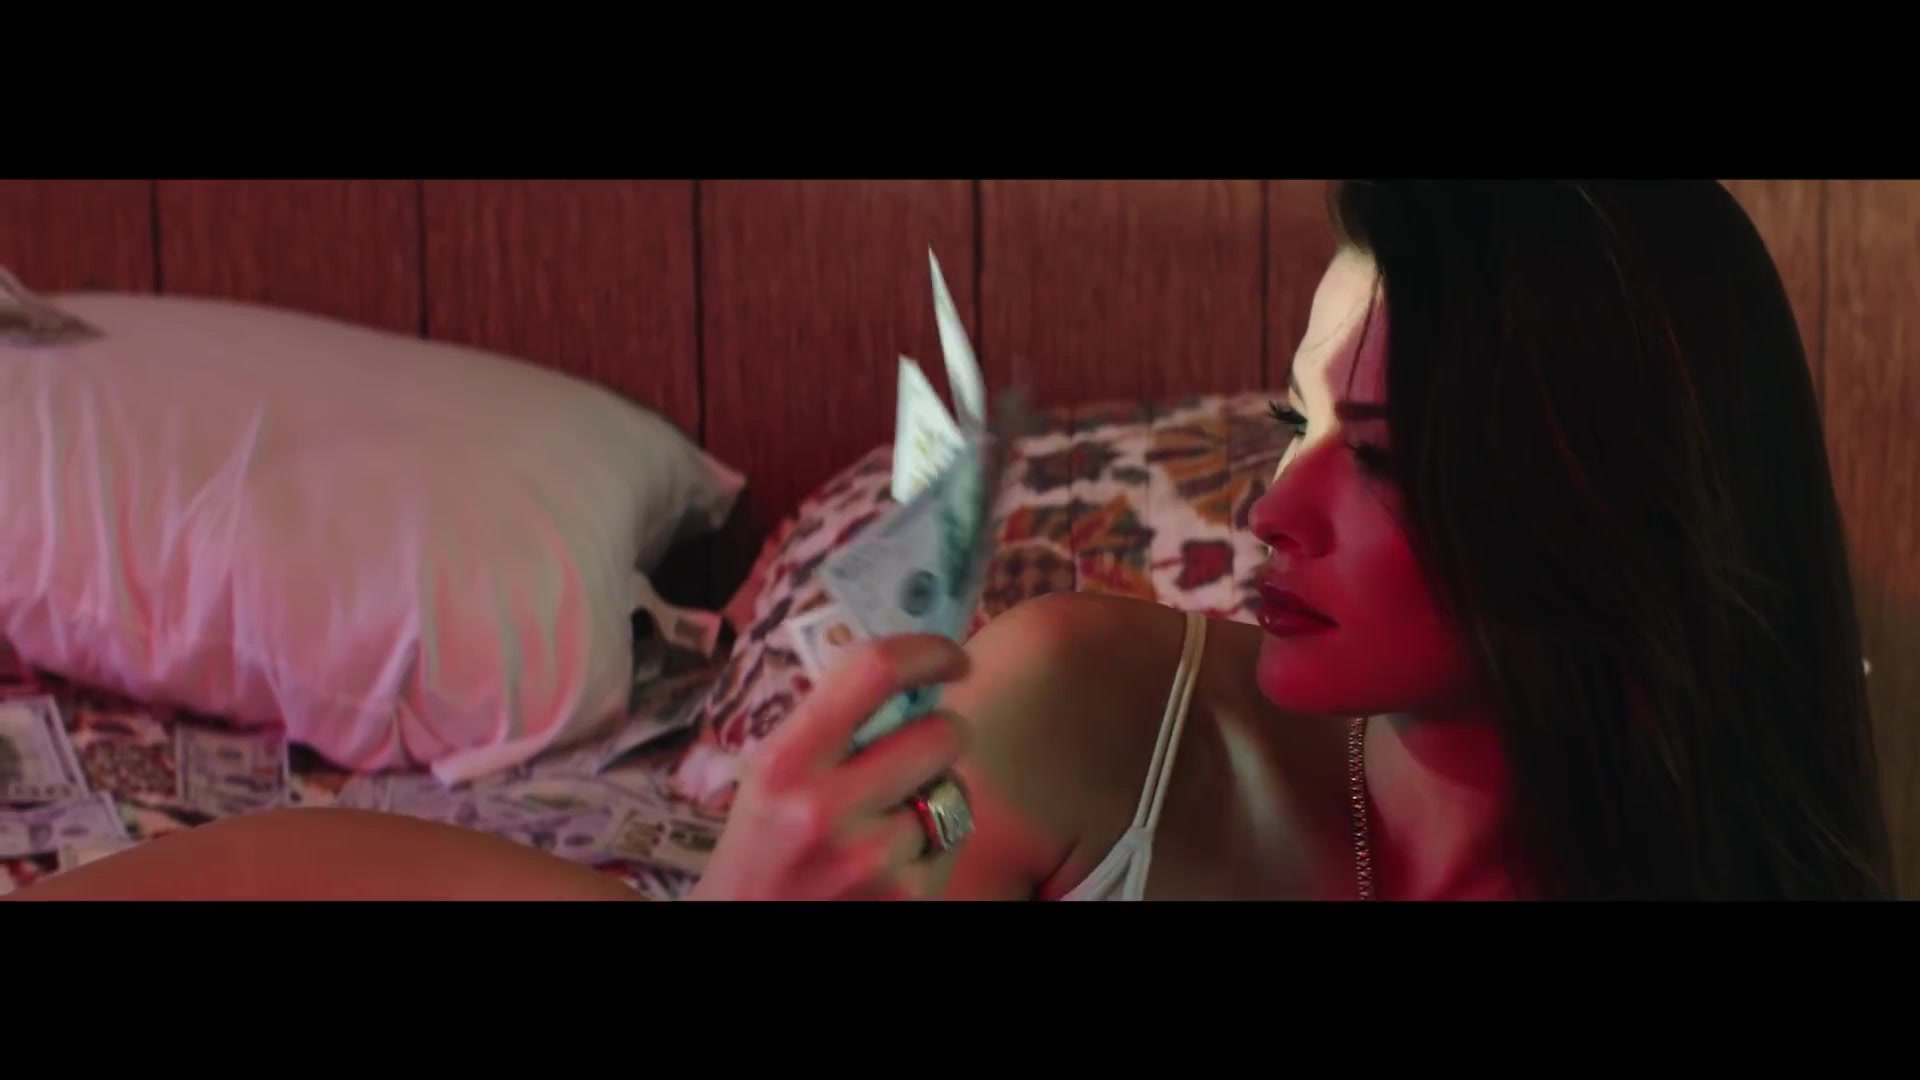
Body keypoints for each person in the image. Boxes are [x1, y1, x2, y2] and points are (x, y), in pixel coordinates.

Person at [11, 180, 1893, 902]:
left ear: (1604, 498)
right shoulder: (1078, 711)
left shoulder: (1800, 792)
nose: (1272, 508)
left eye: (1380, 460)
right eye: (1295, 425)